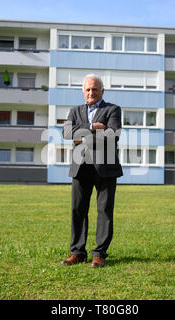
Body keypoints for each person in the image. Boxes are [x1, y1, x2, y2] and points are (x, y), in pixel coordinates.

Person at [60, 74, 123, 268]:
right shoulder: (75, 110)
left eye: (94, 89)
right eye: (87, 89)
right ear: (83, 91)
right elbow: (66, 133)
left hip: (106, 168)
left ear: (102, 91)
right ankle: (78, 252)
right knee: (78, 210)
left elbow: (112, 135)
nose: (90, 93)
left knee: (104, 211)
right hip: (80, 167)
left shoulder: (112, 109)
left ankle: (99, 254)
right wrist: (91, 127)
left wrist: (81, 135)